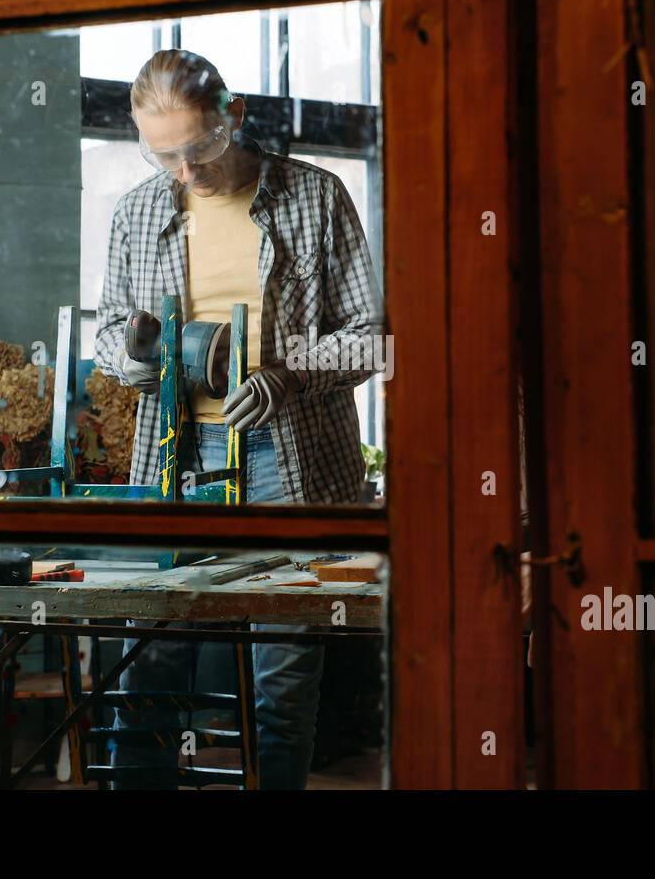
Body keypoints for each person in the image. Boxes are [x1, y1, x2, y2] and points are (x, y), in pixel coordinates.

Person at [94, 49, 381, 788]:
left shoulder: (315, 197)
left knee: (284, 678)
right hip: (173, 455)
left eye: (200, 148)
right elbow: (106, 337)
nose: (184, 173)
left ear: (235, 116)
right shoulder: (138, 211)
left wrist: (288, 378)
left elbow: (369, 336)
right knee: (147, 661)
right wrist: (130, 353)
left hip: (287, 457)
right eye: (163, 155)